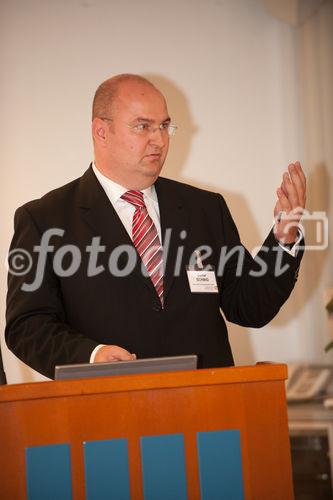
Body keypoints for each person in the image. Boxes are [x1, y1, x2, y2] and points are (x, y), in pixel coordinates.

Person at [5, 74, 306, 379]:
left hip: (209, 407)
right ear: (101, 131)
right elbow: (27, 325)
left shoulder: (205, 208)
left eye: (164, 126)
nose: (159, 140)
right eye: (142, 126)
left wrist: (285, 239)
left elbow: (250, 307)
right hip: (107, 411)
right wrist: (91, 356)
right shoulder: (45, 220)